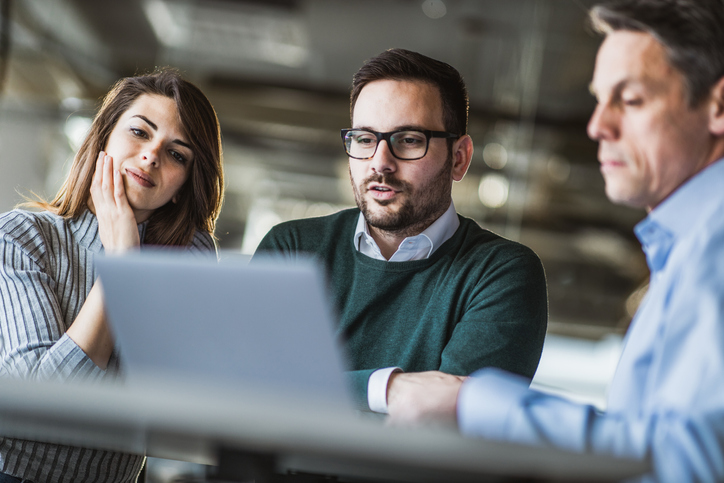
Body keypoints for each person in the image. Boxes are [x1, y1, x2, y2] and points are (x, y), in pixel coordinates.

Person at [386, 1, 724, 482]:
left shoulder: (716, 246)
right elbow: (656, 444)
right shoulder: (685, 250)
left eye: (629, 100)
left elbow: (690, 466)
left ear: (718, 108)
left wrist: (476, 403)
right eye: (599, 99)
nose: (597, 126)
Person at [253, 49, 548, 414]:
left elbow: (453, 423)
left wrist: (313, 389)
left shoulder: (500, 273)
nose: (380, 163)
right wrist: (390, 389)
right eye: (364, 139)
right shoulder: (293, 248)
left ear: (459, 158)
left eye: (408, 140)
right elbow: (249, 386)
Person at [0, 69, 224, 483]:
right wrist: (122, 263)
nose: (152, 155)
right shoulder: (22, 237)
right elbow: (40, 404)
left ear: (181, 185)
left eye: (177, 154)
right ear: (103, 137)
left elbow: (172, 409)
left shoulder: (189, 260)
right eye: (140, 132)